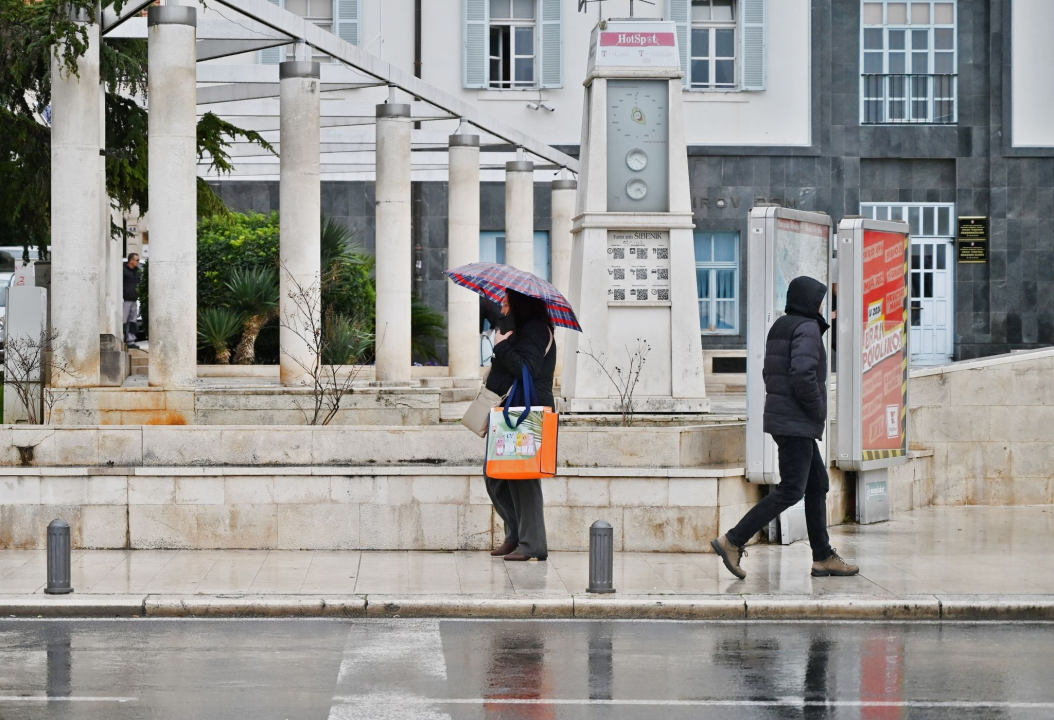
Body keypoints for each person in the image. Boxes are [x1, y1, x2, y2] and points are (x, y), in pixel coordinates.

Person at [711, 276, 859, 579]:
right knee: (792, 489)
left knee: (817, 484)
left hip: (786, 418)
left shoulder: (781, 326)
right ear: (808, 300)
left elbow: (770, 372)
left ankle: (823, 557)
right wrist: (817, 410)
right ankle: (733, 540)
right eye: (819, 299)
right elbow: (803, 375)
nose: (821, 305)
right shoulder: (806, 328)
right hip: (796, 422)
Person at [483, 288, 556, 562]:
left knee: (523, 479)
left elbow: (528, 368)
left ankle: (532, 544)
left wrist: (502, 345)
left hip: (528, 411)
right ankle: (516, 534)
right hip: (513, 410)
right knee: (496, 475)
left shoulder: (536, 329)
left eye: (506, 301)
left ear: (520, 304)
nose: (502, 306)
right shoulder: (522, 329)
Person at [123, 254, 141, 349]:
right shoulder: (123, 270)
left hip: (133, 299)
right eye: (137, 260)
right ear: (131, 260)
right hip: (125, 299)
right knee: (124, 320)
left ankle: (130, 340)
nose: (138, 262)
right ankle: (123, 338)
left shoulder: (137, 271)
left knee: (132, 321)